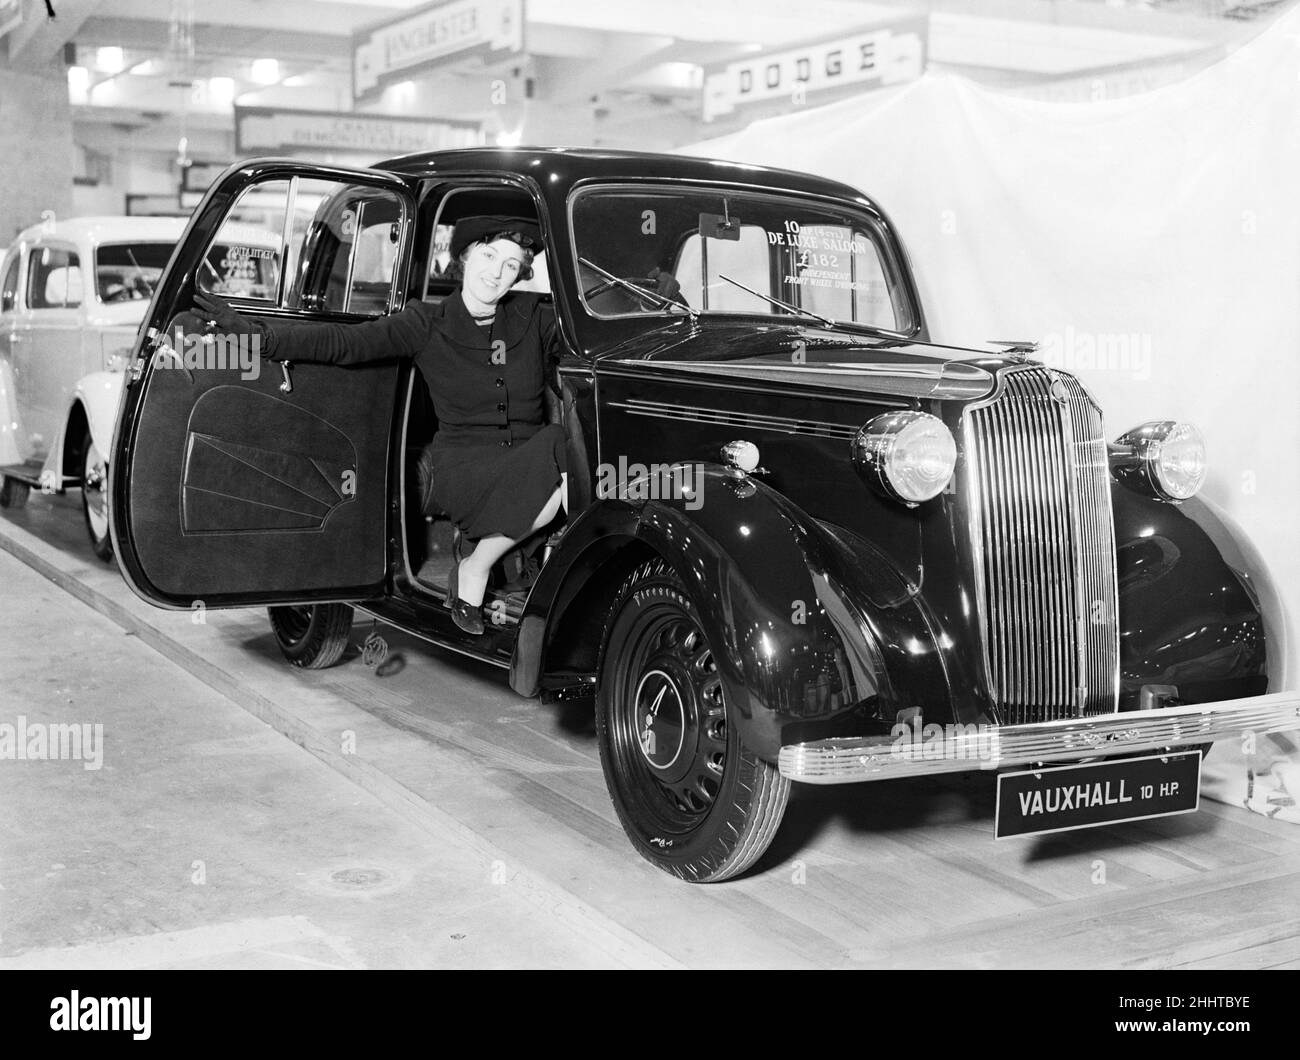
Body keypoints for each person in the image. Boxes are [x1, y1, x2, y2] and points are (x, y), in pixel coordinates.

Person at [191, 215, 566, 636]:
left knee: (572, 451)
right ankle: (476, 567)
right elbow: (345, 343)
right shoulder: (427, 322)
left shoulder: (535, 315)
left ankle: (498, 561)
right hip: (468, 468)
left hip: (531, 458)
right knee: (560, 447)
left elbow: (588, 348)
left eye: (512, 265)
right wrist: (261, 337)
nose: (496, 272)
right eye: (489, 255)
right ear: (464, 257)